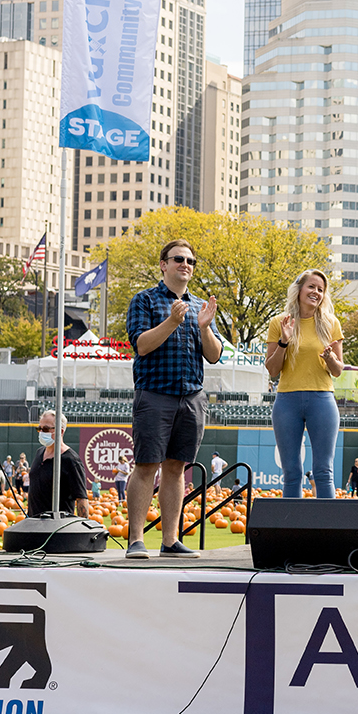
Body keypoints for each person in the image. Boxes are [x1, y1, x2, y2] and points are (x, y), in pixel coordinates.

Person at [123, 239, 222, 559]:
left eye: (191, 261)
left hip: (192, 396)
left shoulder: (199, 307)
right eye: (178, 259)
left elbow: (215, 354)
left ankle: (170, 540)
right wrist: (171, 322)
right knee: (146, 466)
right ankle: (136, 540)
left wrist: (205, 328)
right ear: (163, 264)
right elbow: (141, 345)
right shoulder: (145, 300)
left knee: (176, 469)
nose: (186, 265)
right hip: (155, 394)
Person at [266, 268, 344, 500]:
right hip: (286, 401)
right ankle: (291, 534)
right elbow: (272, 371)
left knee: (323, 472)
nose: (316, 292)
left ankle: (328, 534)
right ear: (299, 289)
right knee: (291, 473)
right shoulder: (279, 322)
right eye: (311, 287)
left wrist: (330, 357)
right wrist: (283, 341)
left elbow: (338, 370)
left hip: (322, 400)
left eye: (321, 289)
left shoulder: (330, 323)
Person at [27, 410, 89, 518]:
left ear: (60, 431)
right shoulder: (39, 453)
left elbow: (81, 499)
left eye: (45, 429)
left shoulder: (71, 460)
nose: (41, 432)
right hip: (34, 524)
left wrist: (83, 531)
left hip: (57, 527)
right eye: (39, 428)